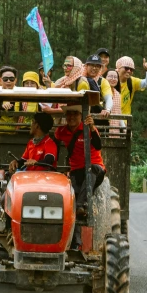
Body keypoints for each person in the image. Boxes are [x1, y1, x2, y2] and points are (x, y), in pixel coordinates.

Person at [55, 105, 106, 249]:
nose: (71, 117)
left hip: (94, 169)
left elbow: (98, 145)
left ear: (81, 116)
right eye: (69, 114)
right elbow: (54, 144)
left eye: (75, 114)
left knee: (92, 171)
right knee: (71, 203)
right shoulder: (62, 131)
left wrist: (91, 127)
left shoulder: (88, 128)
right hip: (76, 171)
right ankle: (75, 243)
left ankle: (81, 205)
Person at [82, 54, 112, 119]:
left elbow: (108, 98)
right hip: (80, 113)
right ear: (86, 66)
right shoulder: (79, 79)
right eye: (92, 65)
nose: (94, 68)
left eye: (97, 66)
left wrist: (107, 109)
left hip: (97, 115)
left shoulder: (103, 81)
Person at [105, 69, 124, 134]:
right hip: (103, 130)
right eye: (110, 76)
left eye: (115, 77)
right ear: (105, 78)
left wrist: (124, 128)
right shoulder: (101, 92)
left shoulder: (118, 94)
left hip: (115, 131)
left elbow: (119, 113)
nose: (113, 79)